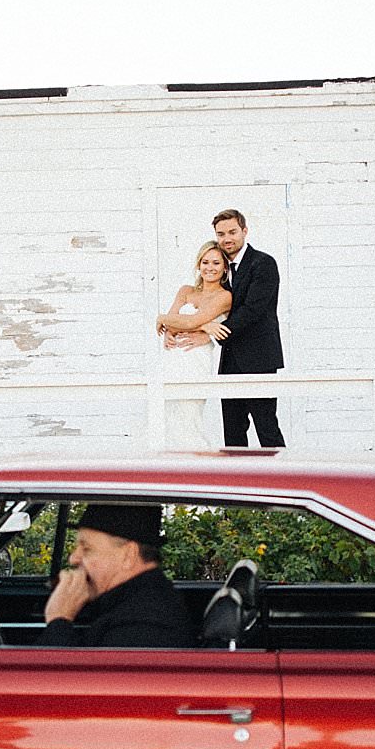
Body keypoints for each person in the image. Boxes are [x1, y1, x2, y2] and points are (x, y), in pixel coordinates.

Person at [39, 504, 195, 647]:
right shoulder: (133, 604)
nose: (73, 558)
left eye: (87, 549)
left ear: (128, 555)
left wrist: (59, 620)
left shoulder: (147, 625)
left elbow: (77, 670)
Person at [211, 209, 286, 447]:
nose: (226, 239)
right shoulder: (220, 268)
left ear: (244, 231)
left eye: (232, 232)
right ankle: (237, 472)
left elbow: (253, 310)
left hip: (259, 359)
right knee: (233, 433)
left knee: (267, 428)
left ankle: (281, 470)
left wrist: (217, 332)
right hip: (230, 361)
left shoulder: (263, 263)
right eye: (221, 234)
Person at [154, 240, 233, 448]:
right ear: (198, 264)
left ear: (225, 268)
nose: (210, 268)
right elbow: (172, 324)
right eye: (205, 262)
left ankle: (195, 460)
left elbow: (186, 322)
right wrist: (205, 325)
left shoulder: (224, 296)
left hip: (196, 359)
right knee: (166, 413)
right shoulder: (186, 291)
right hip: (173, 357)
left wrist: (162, 318)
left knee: (190, 413)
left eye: (216, 263)